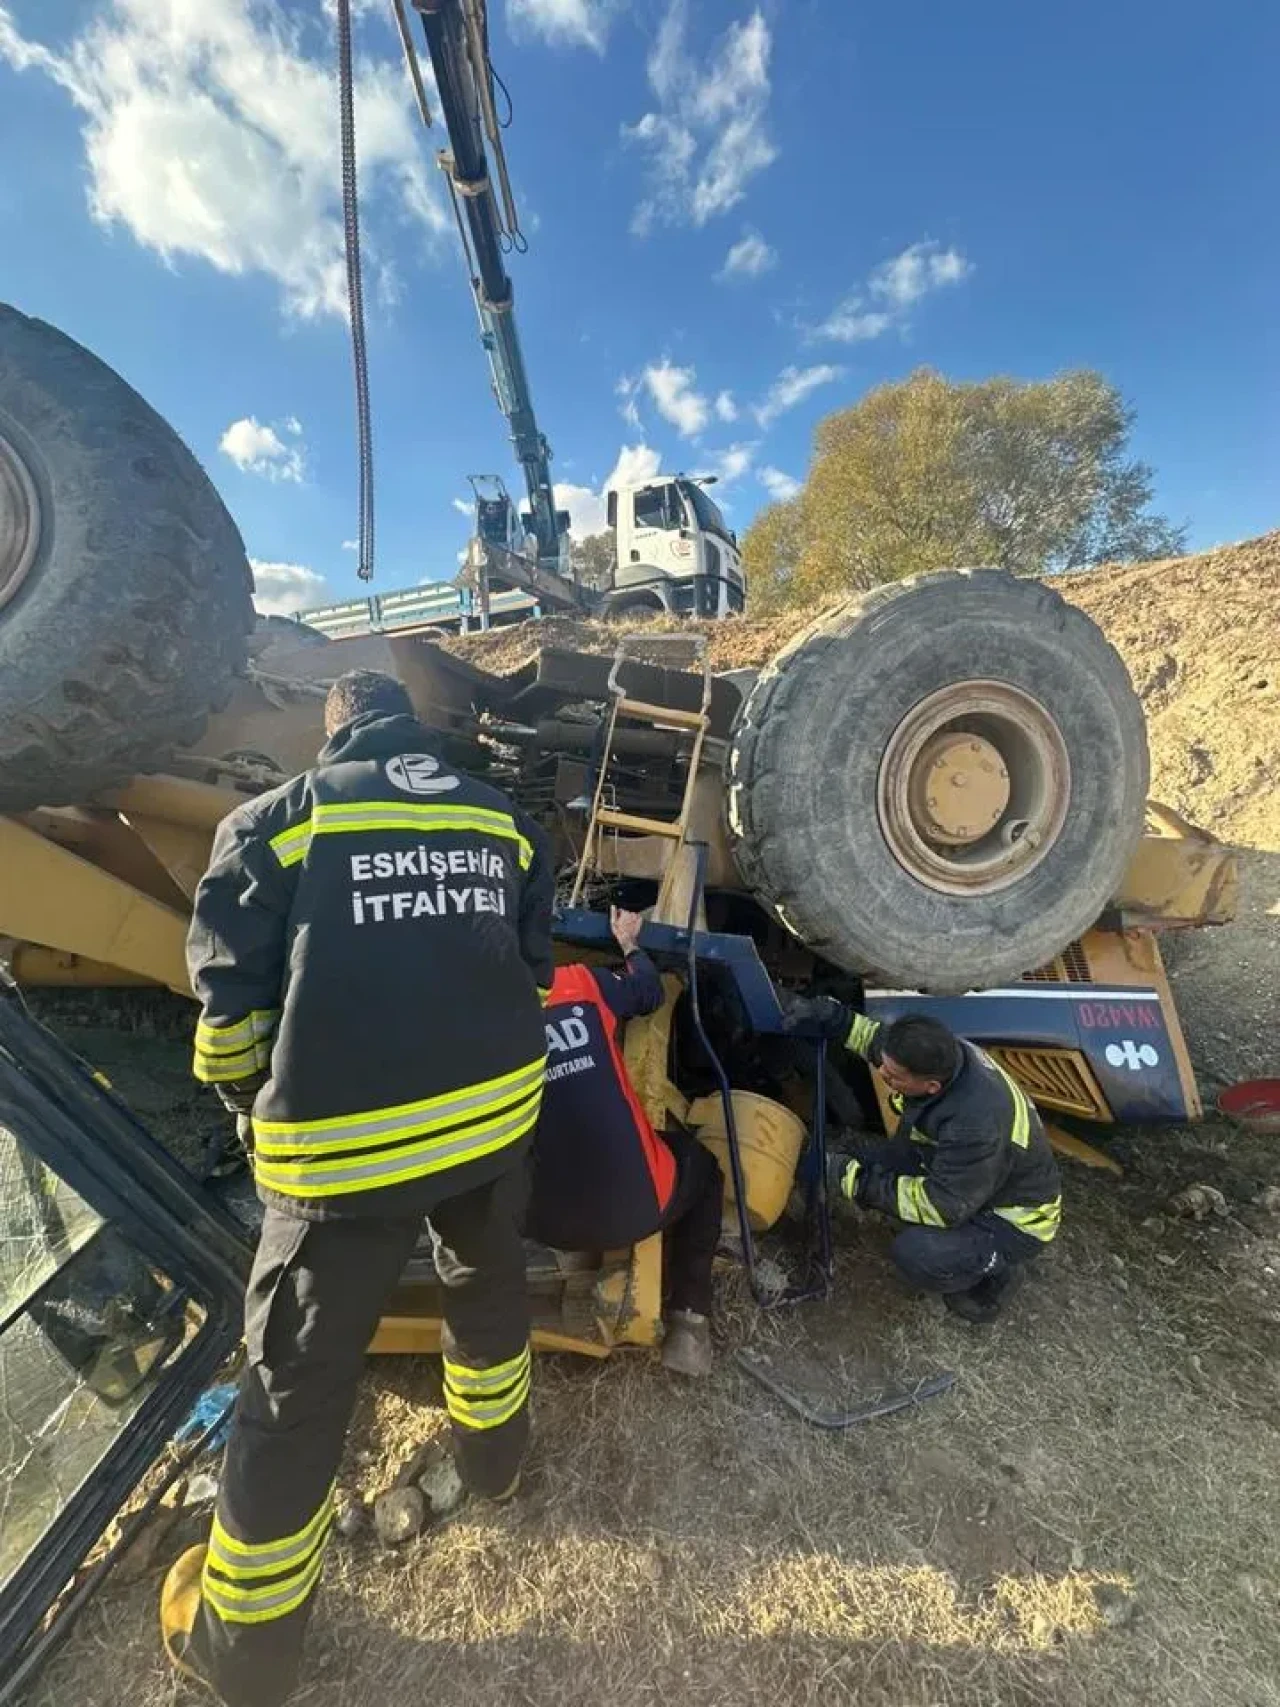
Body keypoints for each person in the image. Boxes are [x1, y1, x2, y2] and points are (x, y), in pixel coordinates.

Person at [161, 670, 553, 1707]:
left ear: (334, 728)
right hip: (491, 1124)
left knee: (295, 1387)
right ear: (409, 728)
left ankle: (242, 1655)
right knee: (488, 1289)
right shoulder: (503, 823)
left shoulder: (273, 824)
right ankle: (496, 1465)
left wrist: (250, 1099)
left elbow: (230, 1017)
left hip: (343, 1158)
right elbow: (533, 969)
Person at [526, 907, 724, 1376]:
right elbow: (648, 991)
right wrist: (631, 945)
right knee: (705, 1170)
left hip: (535, 1226)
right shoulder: (578, 984)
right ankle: (690, 1323)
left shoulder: (467, 1023)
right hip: (638, 1208)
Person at [784, 1002, 1061, 1322]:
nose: (883, 1074)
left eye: (894, 1076)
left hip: (1011, 1220)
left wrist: (856, 1182)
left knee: (916, 1253)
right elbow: (875, 1041)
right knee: (858, 1152)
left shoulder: (974, 1127)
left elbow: (941, 1205)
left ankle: (995, 1268)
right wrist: (832, 1017)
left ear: (931, 1087)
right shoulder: (935, 1055)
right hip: (966, 1173)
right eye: (884, 1068)